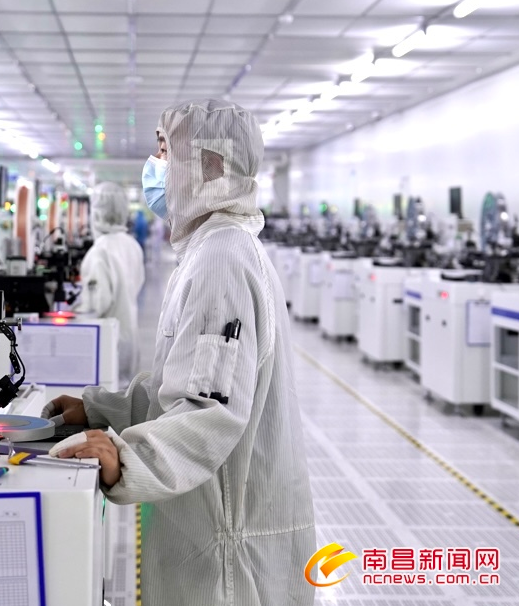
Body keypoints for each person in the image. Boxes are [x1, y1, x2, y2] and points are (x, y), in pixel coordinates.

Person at [43, 99, 316, 605]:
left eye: (165, 151)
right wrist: (103, 410)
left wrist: (126, 458)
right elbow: (184, 382)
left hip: (227, 557)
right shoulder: (210, 250)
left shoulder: (222, 258)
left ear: (208, 165)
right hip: (210, 531)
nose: (155, 166)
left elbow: (210, 412)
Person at [75, 182, 145, 385]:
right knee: (124, 393)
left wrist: (76, 311)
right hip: (130, 335)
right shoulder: (132, 245)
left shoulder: (100, 251)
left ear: (97, 214)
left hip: (107, 341)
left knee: (106, 394)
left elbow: (98, 304)